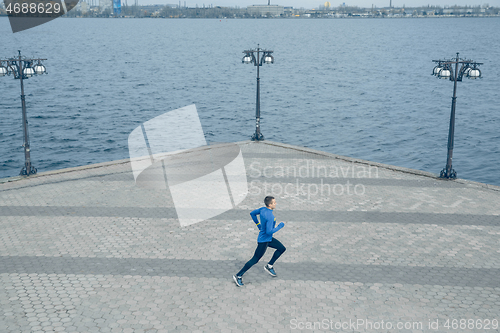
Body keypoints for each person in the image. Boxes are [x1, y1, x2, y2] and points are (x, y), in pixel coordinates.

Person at [233, 196, 286, 287]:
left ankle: (269, 266)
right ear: (270, 205)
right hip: (264, 241)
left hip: (268, 239)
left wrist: (258, 224)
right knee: (255, 259)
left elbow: (252, 213)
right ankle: (238, 275)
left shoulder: (262, 209)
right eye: (274, 203)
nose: (275, 204)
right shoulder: (269, 215)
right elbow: (269, 231)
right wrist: (280, 226)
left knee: (282, 248)